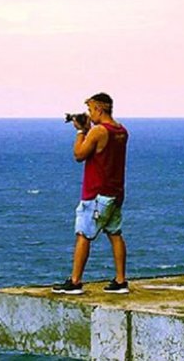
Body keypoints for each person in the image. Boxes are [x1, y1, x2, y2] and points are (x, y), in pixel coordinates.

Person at [52, 92, 130, 295]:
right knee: (115, 234)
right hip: (115, 192)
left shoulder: (99, 132)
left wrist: (81, 132)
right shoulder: (121, 131)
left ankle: (75, 281)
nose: (89, 114)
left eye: (90, 109)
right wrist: (89, 129)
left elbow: (79, 154)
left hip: (96, 193)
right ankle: (121, 280)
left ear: (99, 109)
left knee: (83, 235)